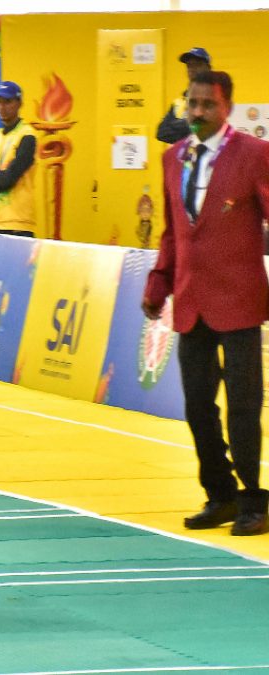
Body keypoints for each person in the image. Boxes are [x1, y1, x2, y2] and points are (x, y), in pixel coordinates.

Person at [142, 70, 269, 537]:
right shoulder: (172, 158)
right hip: (190, 300)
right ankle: (221, 494)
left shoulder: (256, 155)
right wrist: (159, 282)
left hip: (240, 302)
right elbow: (174, 230)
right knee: (197, 405)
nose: (197, 113)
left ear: (227, 107)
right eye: (191, 103)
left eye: (207, 105)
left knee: (243, 406)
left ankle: (256, 497)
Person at [0, 81, 37, 236]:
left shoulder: (27, 135)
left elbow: (9, 179)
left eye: (7, 101)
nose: (2, 107)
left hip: (18, 220)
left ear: (19, 103)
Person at [158, 48, 212, 145]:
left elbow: (209, 129)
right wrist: (190, 125)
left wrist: (176, 125)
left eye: (197, 64)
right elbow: (161, 133)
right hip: (185, 158)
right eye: (189, 65)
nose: (192, 68)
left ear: (208, 68)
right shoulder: (179, 102)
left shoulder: (216, 97)